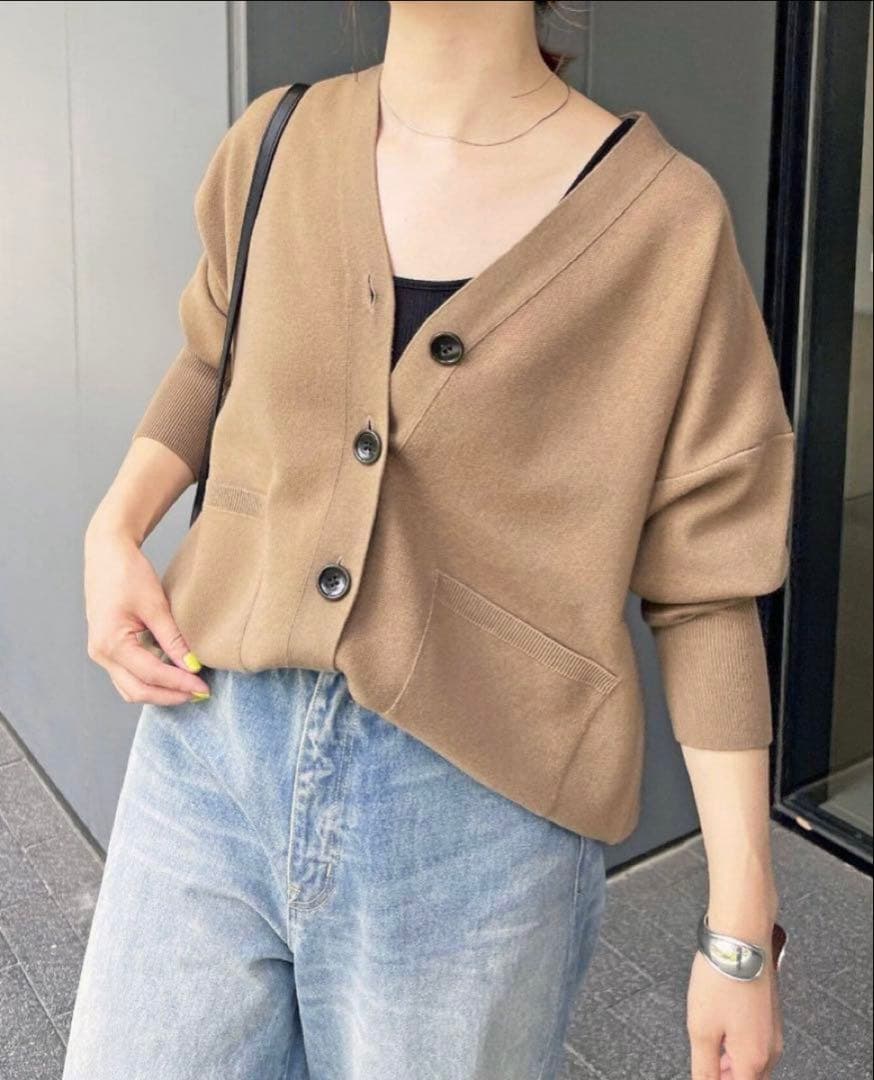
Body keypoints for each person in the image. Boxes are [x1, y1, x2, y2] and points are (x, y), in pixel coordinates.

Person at [65, 2, 795, 1078]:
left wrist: (739, 932)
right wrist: (115, 524)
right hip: (205, 751)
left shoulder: (665, 224)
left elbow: (707, 586)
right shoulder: (275, 140)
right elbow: (211, 356)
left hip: (476, 822)